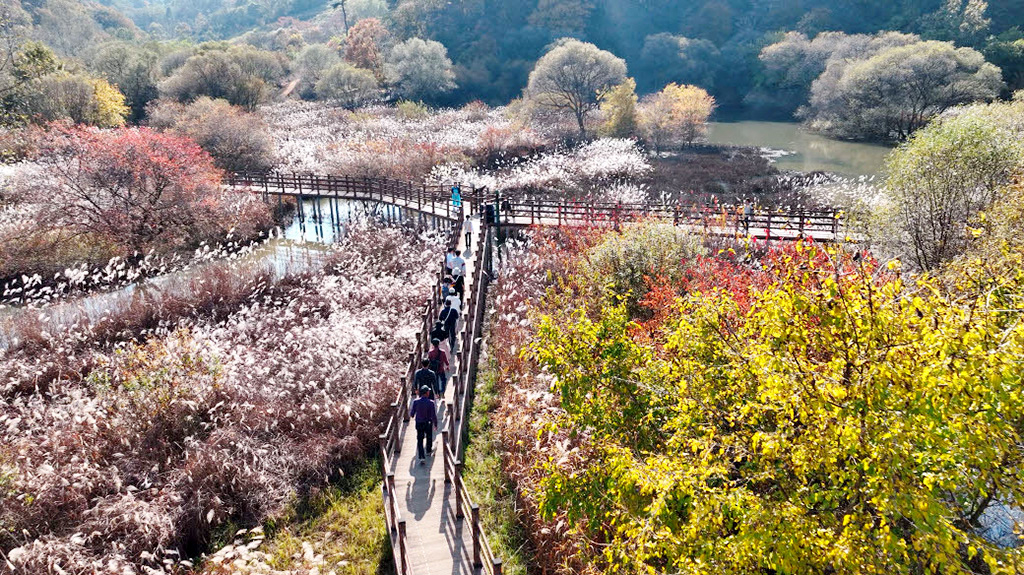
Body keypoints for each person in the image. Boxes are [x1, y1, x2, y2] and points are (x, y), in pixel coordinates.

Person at [409, 385, 437, 464]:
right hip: (428, 422)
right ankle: (428, 450)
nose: (429, 392)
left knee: (420, 439)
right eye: (428, 391)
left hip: (419, 423)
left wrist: (413, 415)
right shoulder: (431, 403)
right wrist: (435, 424)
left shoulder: (415, 402)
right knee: (429, 436)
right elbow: (433, 415)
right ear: (427, 393)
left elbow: (412, 414)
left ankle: (421, 457)